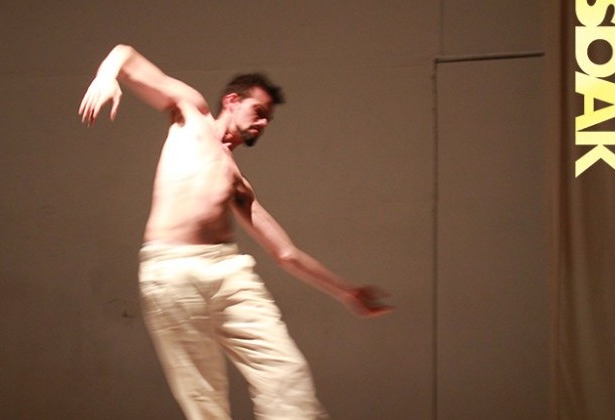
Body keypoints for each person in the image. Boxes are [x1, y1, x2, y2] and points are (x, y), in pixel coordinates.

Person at [79, 44, 391, 420]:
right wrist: (107, 75)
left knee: (286, 373)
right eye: (259, 111)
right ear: (232, 101)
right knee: (204, 398)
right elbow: (126, 55)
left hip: (227, 271)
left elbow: (286, 253)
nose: (263, 123)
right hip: (171, 271)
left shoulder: (238, 182)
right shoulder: (191, 113)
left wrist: (347, 292)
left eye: (268, 119)